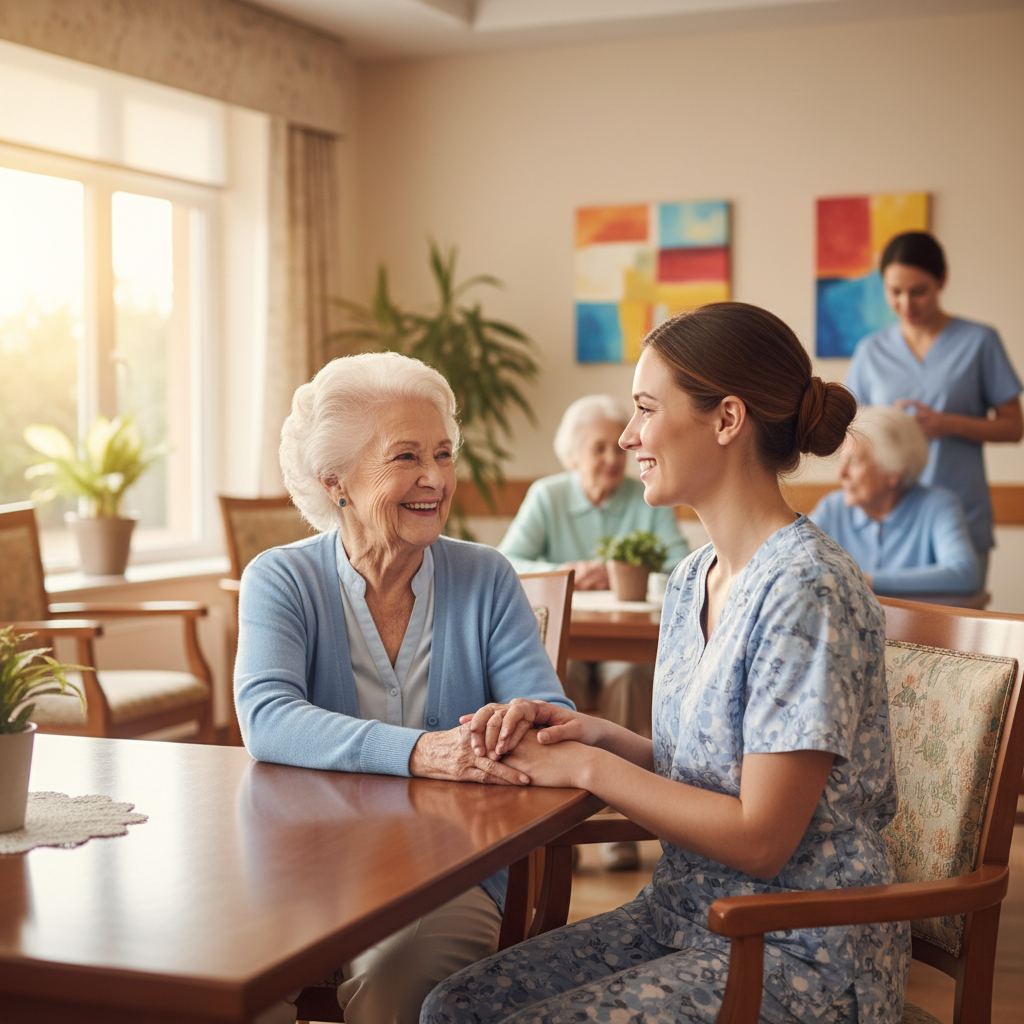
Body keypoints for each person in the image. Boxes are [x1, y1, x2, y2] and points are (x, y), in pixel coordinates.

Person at [424, 302, 910, 1024]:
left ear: (726, 420)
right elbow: (709, 772)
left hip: (796, 948)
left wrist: (592, 771)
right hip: (684, 914)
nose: (627, 437)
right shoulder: (693, 579)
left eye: (646, 409)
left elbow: (762, 836)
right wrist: (588, 733)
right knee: (454, 1006)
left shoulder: (809, 589)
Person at [234, 351, 574, 1024]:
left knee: (396, 979)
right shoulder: (281, 580)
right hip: (305, 863)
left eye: (444, 455)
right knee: (231, 991)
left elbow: (551, 719)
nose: (435, 479)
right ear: (336, 482)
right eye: (406, 457)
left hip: (448, 873)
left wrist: (521, 721)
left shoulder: (486, 578)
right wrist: (421, 751)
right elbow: (268, 718)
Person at [498, 394, 690, 870]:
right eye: (598, 448)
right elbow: (507, 562)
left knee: (627, 675)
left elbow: (680, 566)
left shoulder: (647, 494)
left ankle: (622, 818)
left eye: (615, 449)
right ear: (573, 454)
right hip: (567, 638)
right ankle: (559, 824)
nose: (611, 459)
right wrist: (565, 569)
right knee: (554, 686)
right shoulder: (549, 495)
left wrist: (624, 570)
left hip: (621, 640)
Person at [846, 231, 1023, 586]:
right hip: (888, 516)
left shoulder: (979, 342)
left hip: (961, 509)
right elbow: (854, 432)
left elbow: (1013, 427)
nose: (906, 303)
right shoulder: (870, 351)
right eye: (895, 292)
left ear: (942, 280)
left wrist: (946, 424)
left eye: (919, 291)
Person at [811, 405, 978, 596]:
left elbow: (964, 573)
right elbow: (794, 563)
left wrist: (866, 581)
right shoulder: (832, 508)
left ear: (894, 471)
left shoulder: (939, 506)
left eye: (854, 462)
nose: (841, 474)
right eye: (841, 461)